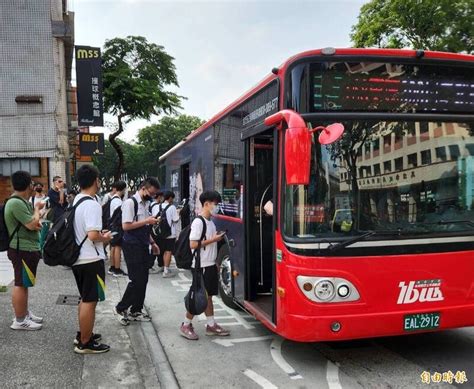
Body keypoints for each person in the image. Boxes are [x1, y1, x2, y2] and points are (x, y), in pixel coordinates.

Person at [72, 164, 112, 354]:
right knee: (90, 300)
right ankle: (85, 343)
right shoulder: (92, 204)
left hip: (78, 259)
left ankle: (83, 334)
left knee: (85, 298)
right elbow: (93, 235)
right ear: (96, 180)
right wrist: (106, 237)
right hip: (90, 259)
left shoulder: (77, 201)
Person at [179, 190, 230, 340]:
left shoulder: (211, 223)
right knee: (198, 297)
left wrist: (214, 262)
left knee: (208, 297)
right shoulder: (198, 222)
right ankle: (186, 324)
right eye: (215, 204)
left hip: (209, 265)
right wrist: (214, 239)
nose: (217, 207)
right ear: (206, 204)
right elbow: (193, 244)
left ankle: (211, 325)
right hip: (200, 266)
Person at [114, 177, 161, 325]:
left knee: (144, 279)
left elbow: (145, 228)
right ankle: (120, 308)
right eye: (151, 193)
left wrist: (153, 243)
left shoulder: (146, 204)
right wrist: (147, 221)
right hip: (131, 245)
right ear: (143, 188)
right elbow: (126, 226)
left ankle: (136, 310)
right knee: (136, 280)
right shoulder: (130, 203)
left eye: (154, 194)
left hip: (143, 244)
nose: (152, 196)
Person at [5, 171, 45, 330]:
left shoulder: (22, 202)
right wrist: (37, 209)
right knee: (20, 284)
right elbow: (32, 224)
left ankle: (24, 313)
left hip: (26, 248)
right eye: (32, 183)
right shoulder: (16, 203)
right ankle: (20, 320)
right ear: (29, 185)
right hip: (22, 249)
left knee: (24, 283)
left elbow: (36, 223)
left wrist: (36, 215)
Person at [108, 180, 127, 277]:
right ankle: (117, 269)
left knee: (113, 247)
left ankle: (112, 267)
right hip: (118, 227)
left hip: (112, 226)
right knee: (118, 247)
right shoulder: (118, 201)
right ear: (123, 189)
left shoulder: (113, 199)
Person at [161, 191, 180, 278]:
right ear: (170, 198)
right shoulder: (172, 207)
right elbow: (175, 219)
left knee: (165, 251)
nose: (173, 199)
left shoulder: (160, 205)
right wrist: (178, 213)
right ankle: (166, 270)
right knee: (169, 251)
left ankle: (165, 268)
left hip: (162, 232)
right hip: (170, 232)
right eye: (172, 198)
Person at [149, 190, 164, 274]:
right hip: (155, 230)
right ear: (159, 197)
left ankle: (159, 264)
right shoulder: (157, 206)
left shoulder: (151, 204)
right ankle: (150, 265)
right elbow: (155, 218)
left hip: (152, 229)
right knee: (156, 247)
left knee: (157, 247)